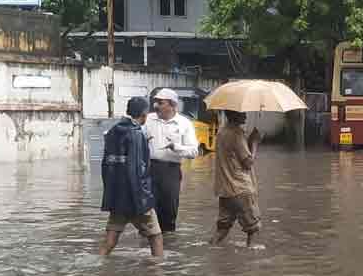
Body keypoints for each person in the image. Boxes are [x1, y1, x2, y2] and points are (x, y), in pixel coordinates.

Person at [100, 97, 163, 257]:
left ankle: (99, 264)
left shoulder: (113, 131)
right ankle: (158, 275)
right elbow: (136, 170)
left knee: (110, 240)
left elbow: (107, 166)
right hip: (136, 197)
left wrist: (111, 196)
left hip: (117, 197)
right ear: (144, 113)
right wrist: (144, 200)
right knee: (155, 236)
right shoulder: (135, 134)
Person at [143, 88, 198, 232]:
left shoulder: (184, 123)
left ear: (173, 105)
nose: (157, 106)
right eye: (156, 102)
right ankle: (147, 246)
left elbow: (193, 152)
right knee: (148, 211)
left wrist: (176, 147)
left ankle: (167, 245)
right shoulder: (148, 119)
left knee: (169, 210)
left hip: (171, 171)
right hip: (150, 169)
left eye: (161, 103)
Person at [210, 110, 262, 247]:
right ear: (232, 114)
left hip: (225, 190)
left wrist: (248, 141)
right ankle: (252, 264)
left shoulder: (221, 132)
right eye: (242, 113)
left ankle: (211, 251)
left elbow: (233, 157)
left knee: (222, 229)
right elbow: (248, 163)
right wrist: (255, 143)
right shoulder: (236, 133)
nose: (245, 115)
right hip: (240, 189)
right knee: (254, 229)